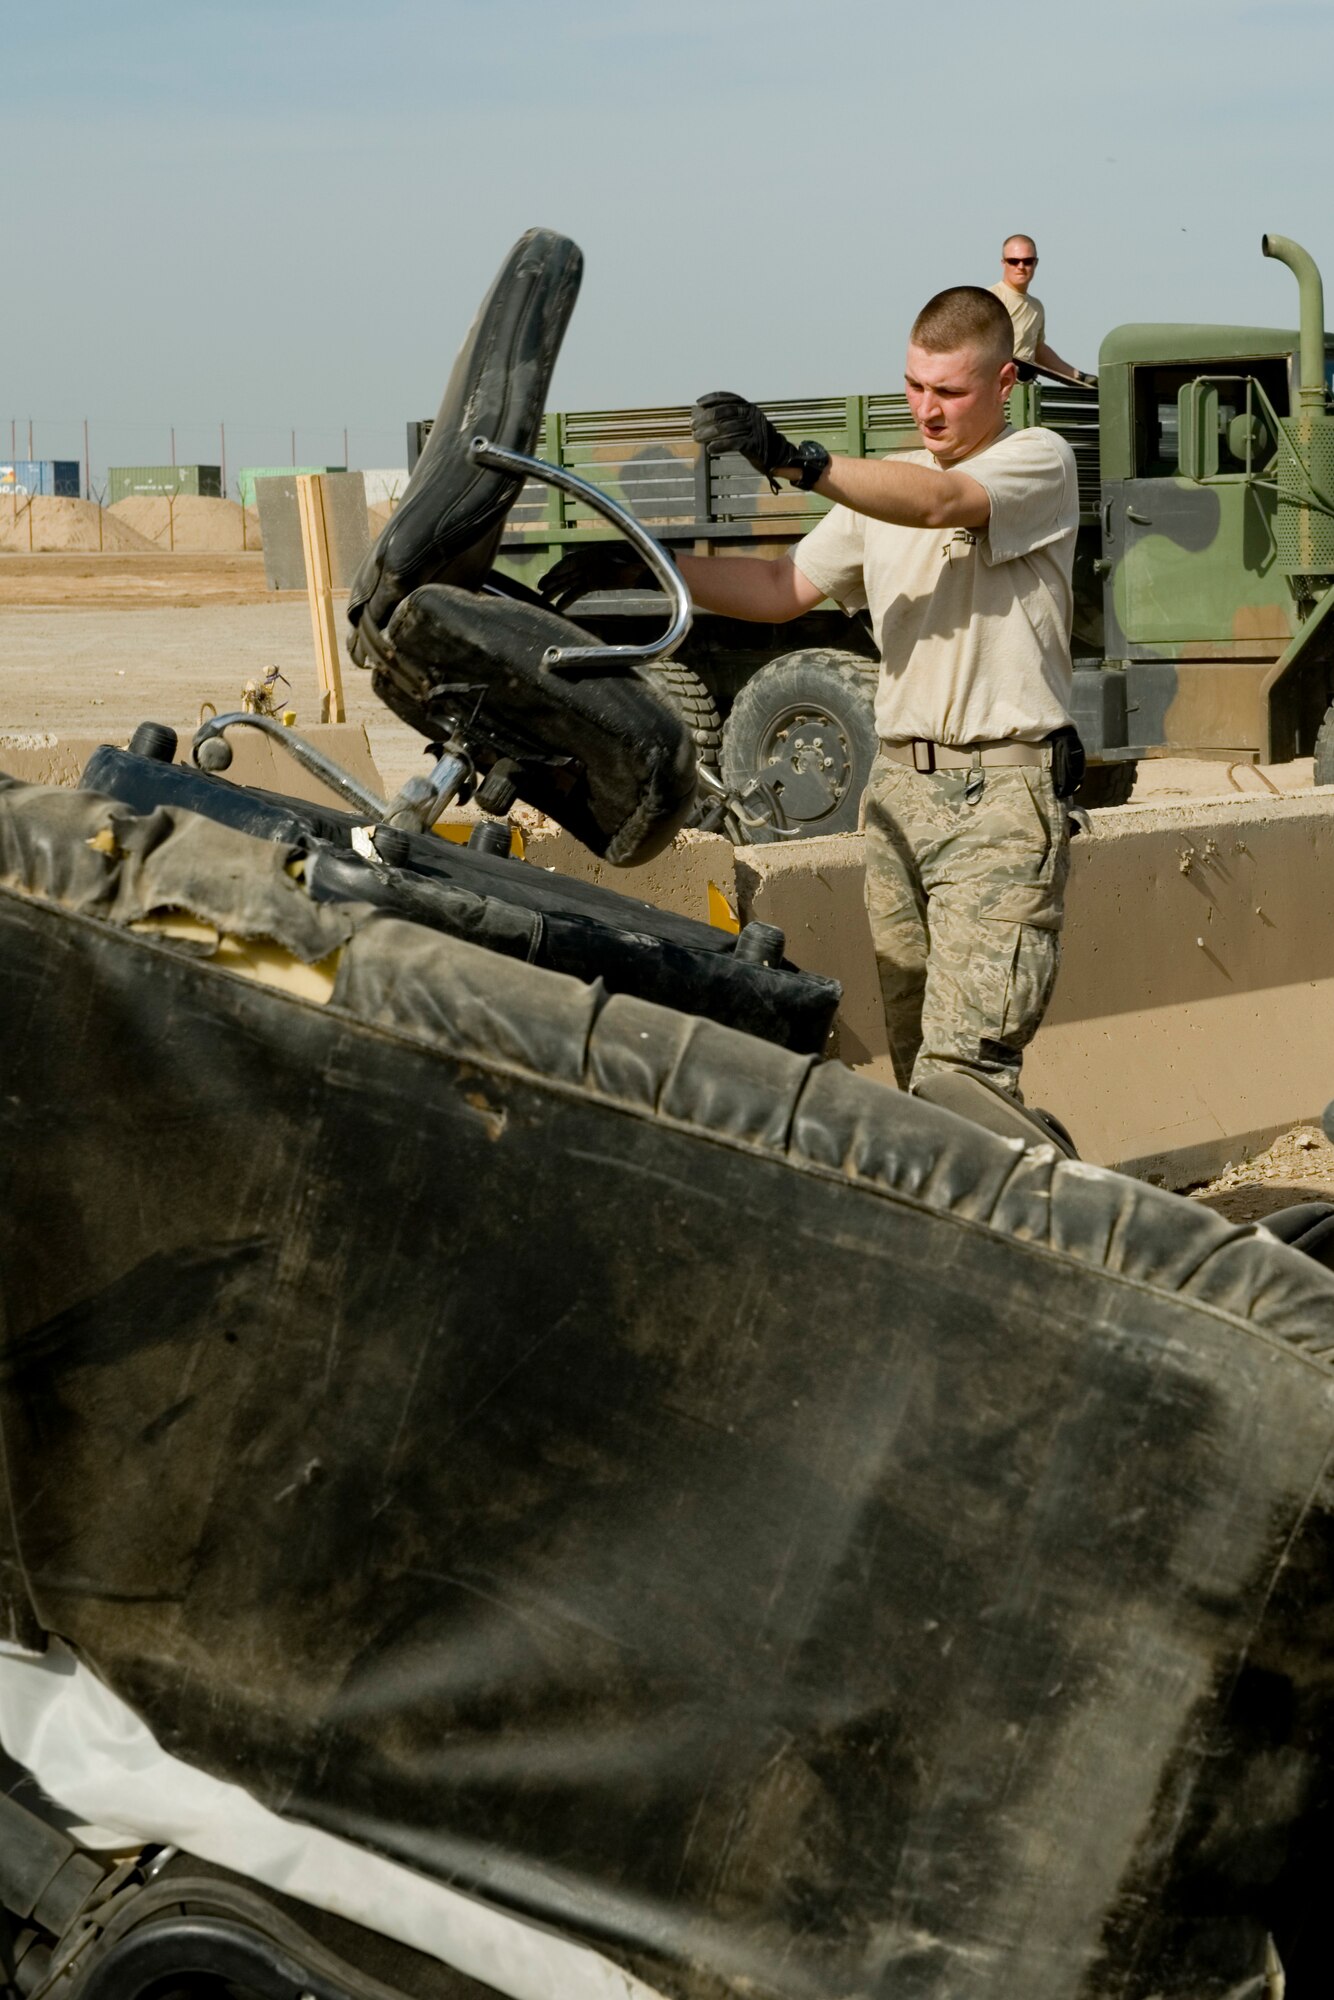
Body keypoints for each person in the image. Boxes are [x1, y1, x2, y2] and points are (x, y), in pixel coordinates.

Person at [544, 286, 1080, 1101]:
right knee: (918, 1073)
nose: (927, 410)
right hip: (900, 794)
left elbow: (941, 503)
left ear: (1005, 383)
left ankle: (1046, 1219)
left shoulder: (1035, 461)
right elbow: (778, 584)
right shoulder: (886, 483)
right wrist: (646, 565)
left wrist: (801, 463)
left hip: (999, 801)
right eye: (914, 386)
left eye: (950, 392)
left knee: (965, 1076)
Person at [990, 234, 1095, 387]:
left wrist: (1078, 377)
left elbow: (1038, 350)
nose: (1021, 267)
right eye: (1013, 261)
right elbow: (976, 347)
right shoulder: (990, 299)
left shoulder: (1036, 307)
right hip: (995, 392)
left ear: (1036, 263)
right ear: (1003, 263)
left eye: (1027, 261)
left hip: (1024, 393)